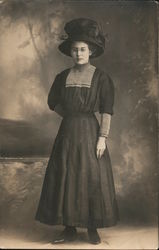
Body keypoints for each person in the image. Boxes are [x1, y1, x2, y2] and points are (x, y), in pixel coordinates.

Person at [35, 18, 119, 245]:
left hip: (91, 132)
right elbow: (53, 101)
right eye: (74, 49)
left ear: (91, 51)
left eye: (82, 49)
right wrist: (71, 117)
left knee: (91, 177)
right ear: (70, 52)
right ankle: (69, 227)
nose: (78, 53)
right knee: (66, 176)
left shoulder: (101, 78)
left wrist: (102, 138)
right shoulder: (62, 77)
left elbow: (107, 111)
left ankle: (92, 228)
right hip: (67, 133)